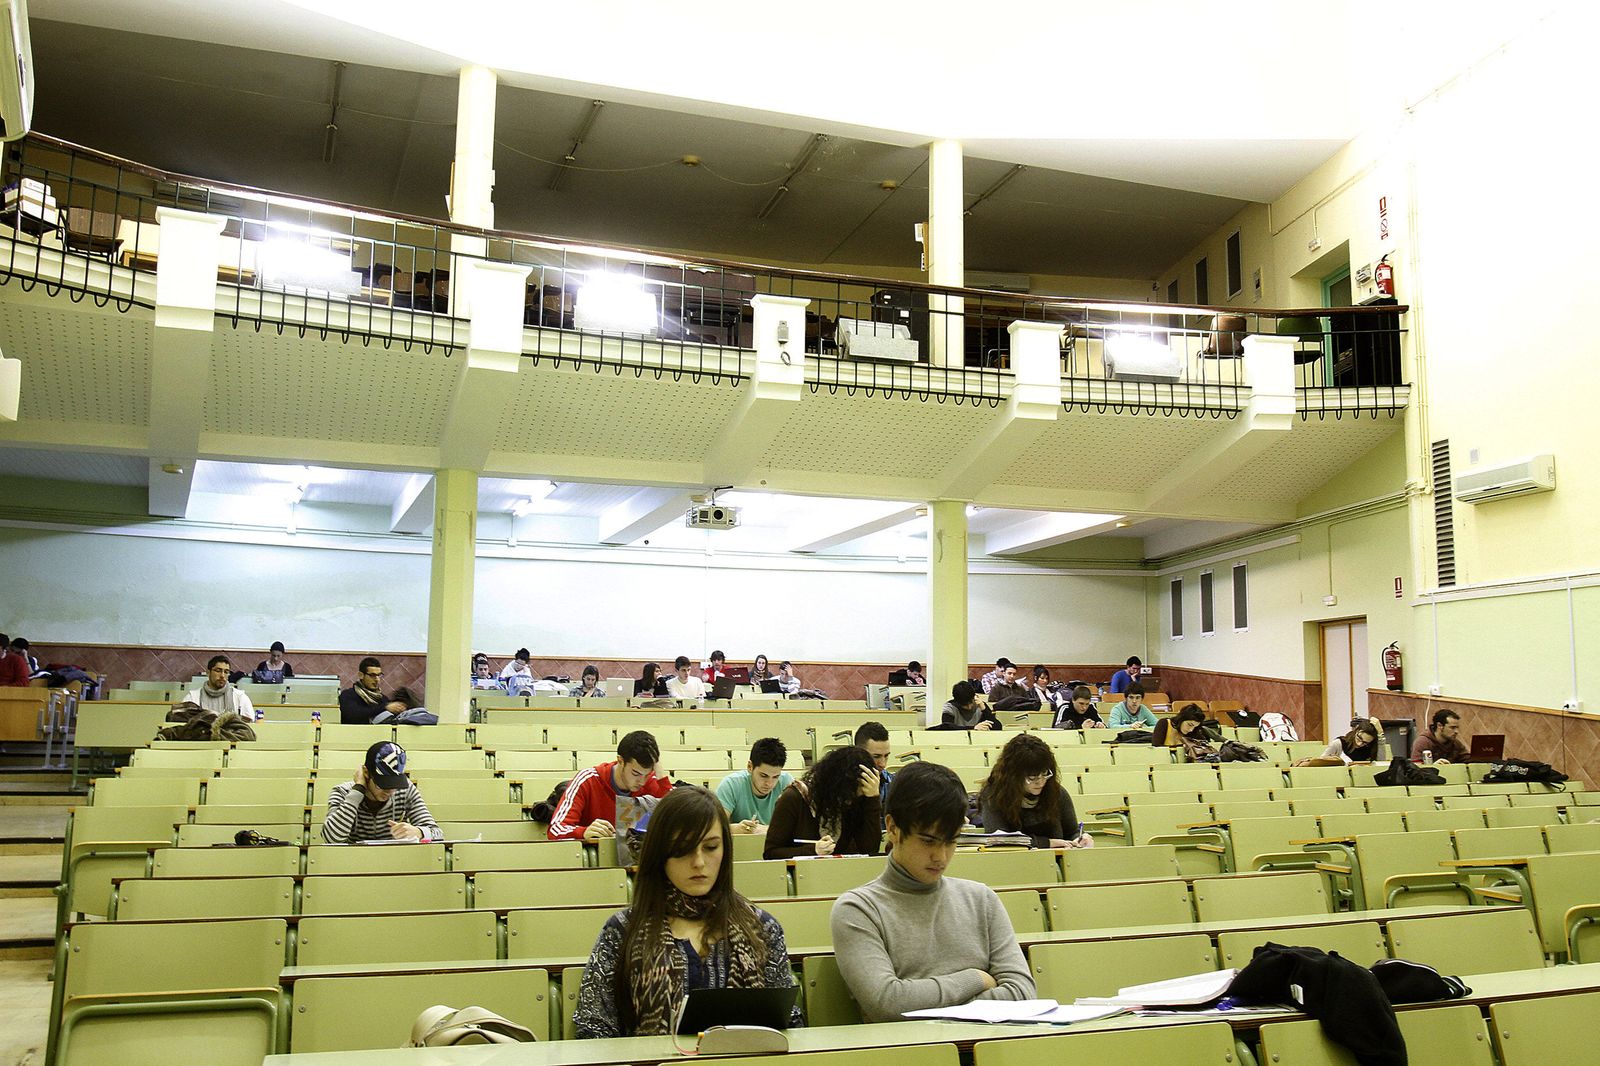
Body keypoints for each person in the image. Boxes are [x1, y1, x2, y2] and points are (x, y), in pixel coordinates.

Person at [572, 786, 801, 1038]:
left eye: (711, 847)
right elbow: (593, 1027)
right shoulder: (622, 931)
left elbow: (788, 1024)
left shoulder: (762, 928)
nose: (699, 862)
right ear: (660, 854)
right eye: (682, 849)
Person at [830, 761, 1036, 1022]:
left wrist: (932, 1005)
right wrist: (977, 979)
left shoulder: (981, 900)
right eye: (928, 841)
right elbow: (886, 1002)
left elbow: (1023, 991)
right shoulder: (858, 909)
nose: (940, 856)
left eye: (951, 841)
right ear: (893, 828)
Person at [548, 730, 674, 842]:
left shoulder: (651, 781)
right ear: (620, 761)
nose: (642, 781)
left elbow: (681, 818)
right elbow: (555, 830)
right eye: (636, 773)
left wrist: (662, 778)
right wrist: (583, 832)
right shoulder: (587, 780)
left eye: (648, 774)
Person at [765, 745, 882, 859]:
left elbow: (869, 851)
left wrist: (872, 799)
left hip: (845, 873)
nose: (849, 802)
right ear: (836, 785)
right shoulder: (794, 798)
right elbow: (771, 853)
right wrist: (813, 851)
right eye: (848, 796)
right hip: (803, 875)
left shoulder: (858, 799)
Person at [979, 734, 1091, 849]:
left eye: (1045, 774)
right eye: (1032, 778)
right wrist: (1046, 843)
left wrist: (1080, 838)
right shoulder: (993, 795)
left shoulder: (1057, 792)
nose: (1041, 782)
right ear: (1013, 775)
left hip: (1057, 861)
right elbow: (999, 840)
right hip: (1013, 863)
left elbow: (1071, 832)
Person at [321, 741, 440, 843]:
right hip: (353, 862)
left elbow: (438, 834)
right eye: (382, 785)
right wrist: (357, 791)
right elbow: (331, 838)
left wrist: (419, 832)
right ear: (366, 773)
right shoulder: (343, 792)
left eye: (395, 785)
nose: (390, 792)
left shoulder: (406, 790)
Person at [715, 738, 793, 833]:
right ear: (750, 767)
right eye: (763, 776)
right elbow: (715, 827)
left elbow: (797, 826)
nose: (769, 783)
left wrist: (766, 830)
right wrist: (735, 829)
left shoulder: (786, 783)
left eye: (776, 777)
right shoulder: (731, 784)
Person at [182, 655, 258, 721]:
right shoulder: (192, 697)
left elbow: (250, 724)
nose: (222, 675)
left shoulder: (240, 697)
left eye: (226, 672)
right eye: (218, 671)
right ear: (208, 672)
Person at [339, 656, 405, 724]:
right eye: (372, 675)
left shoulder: (382, 699)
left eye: (379, 675)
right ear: (361, 675)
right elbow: (354, 714)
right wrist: (385, 708)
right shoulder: (348, 695)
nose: (377, 679)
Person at [1296, 718, 1387, 767]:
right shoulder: (1339, 743)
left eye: (1365, 743)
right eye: (1359, 738)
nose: (1360, 744)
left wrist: (1380, 734)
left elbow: (1381, 764)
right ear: (1356, 730)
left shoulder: (1371, 747)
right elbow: (1321, 763)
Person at [855, 721, 894, 810]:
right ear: (858, 753)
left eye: (886, 756)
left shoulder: (894, 785)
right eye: (876, 757)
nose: (883, 764)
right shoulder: (841, 785)